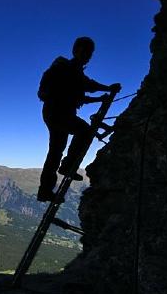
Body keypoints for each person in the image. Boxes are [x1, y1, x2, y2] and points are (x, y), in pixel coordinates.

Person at [36, 36, 121, 202]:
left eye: (89, 52)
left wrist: (101, 96)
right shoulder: (67, 68)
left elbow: (80, 92)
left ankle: (44, 191)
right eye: (84, 51)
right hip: (58, 113)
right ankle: (67, 166)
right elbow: (85, 86)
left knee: (55, 151)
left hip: (54, 113)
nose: (86, 54)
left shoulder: (68, 69)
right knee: (84, 131)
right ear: (75, 51)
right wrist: (108, 89)